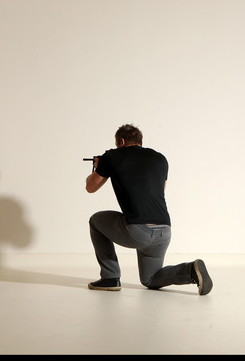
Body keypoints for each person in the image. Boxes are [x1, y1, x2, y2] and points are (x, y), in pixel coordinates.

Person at [85, 124, 213, 295]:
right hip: (164, 230)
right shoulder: (160, 159)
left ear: (121, 141)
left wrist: (98, 166)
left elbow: (90, 187)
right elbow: (160, 190)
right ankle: (190, 270)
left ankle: (110, 277)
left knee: (95, 221)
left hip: (138, 231)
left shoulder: (111, 156)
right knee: (150, 279)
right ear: (139, 141)